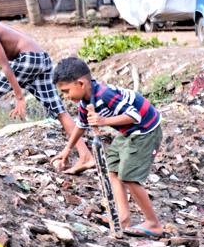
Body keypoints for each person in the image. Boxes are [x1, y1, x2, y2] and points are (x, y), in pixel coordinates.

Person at [0, 0, 94, 171]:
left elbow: (5, 65)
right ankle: (86, 156)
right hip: (41, 59)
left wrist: (19, 96)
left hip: (28, 60)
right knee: (58, 109)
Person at [51, 56, 163, 237]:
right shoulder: (85, 101)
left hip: (145, 130)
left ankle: (153, 223)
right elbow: (81, 125)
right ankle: (123, 217)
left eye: (66, 91)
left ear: (80, 83)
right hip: (128, 133)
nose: (66, 97)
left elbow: (135, 116)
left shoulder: (104, 94)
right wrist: (67, 150)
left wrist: (104, 121)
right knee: (113, 168)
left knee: (129, 176)